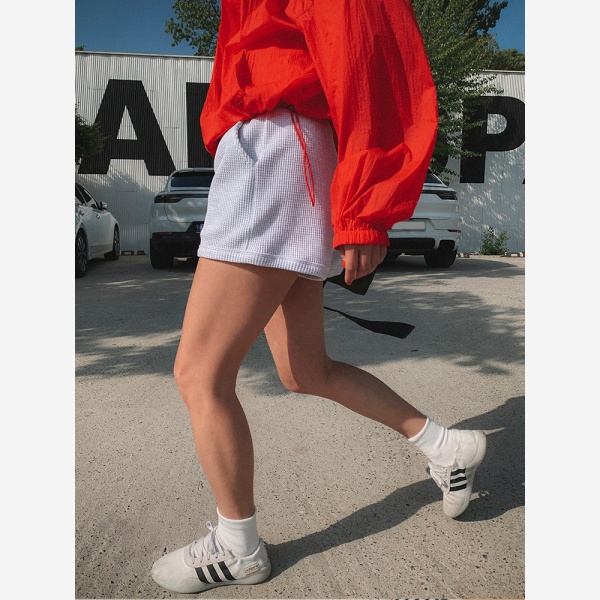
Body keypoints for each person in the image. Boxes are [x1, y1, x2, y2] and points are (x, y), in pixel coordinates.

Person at [151, 0, 487, 594]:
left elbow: (361, 52)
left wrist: (365, 211)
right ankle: (445, 446)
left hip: (276, 154)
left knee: (199, 374)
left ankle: (238, 548)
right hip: (279, 152)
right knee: (305, 370)